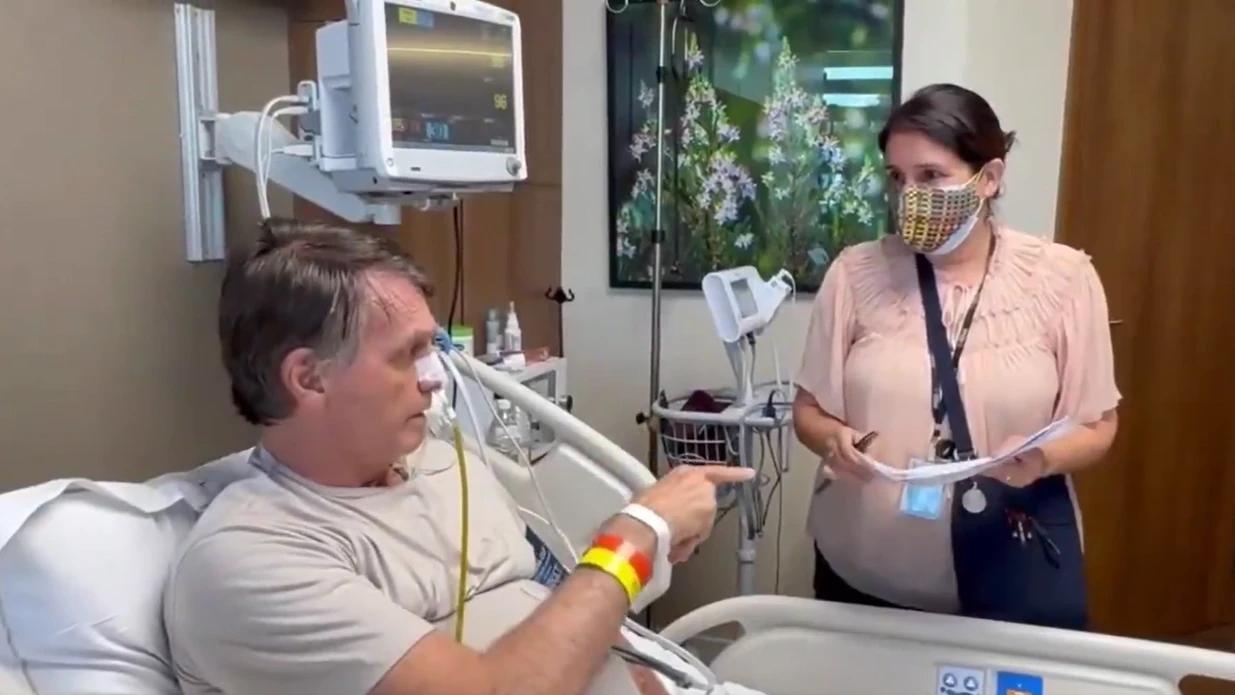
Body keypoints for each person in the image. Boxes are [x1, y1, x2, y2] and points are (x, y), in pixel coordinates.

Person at [163, 220, 754, 695]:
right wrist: (636, 536)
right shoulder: (254, 560)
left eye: (434, 349)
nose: (435, 380)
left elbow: (557, 602)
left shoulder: (442, 461)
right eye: (408, 354)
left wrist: (641, 552)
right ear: (309, 378)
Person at [792, 84, 1120, 627]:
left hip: (1007, 575)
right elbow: (808, 411)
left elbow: (1099, 425)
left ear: (988, 179)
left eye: (930, 176)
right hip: (863, 576)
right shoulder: (855, 273)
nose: (909, 195)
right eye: (897, 178)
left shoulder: (1063, 279)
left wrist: (1041, 459)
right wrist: (833, 439)